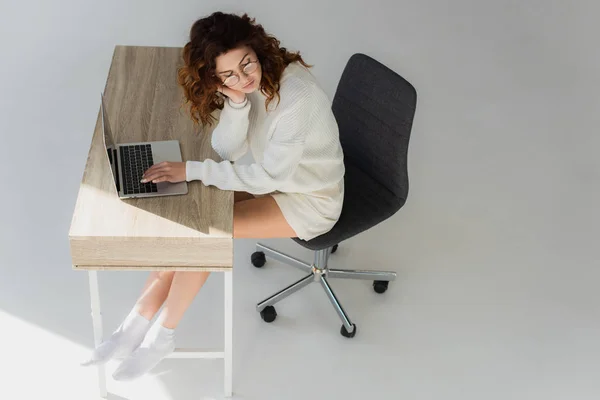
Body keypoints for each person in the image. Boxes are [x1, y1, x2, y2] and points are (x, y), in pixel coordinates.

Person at [81, 11, 345, 381]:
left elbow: (269, 174)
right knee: (192, 214)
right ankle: (134, 327)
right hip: (278, 180)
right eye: (229, 75)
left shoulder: (295, 97)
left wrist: (190, 169)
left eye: (247, 63)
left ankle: (162, 336)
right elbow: (226, 149)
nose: (244, 77)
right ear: (216, 78)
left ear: (256, 47)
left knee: (208, 232)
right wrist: (236, 102)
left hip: (311, 199)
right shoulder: (247, 89)